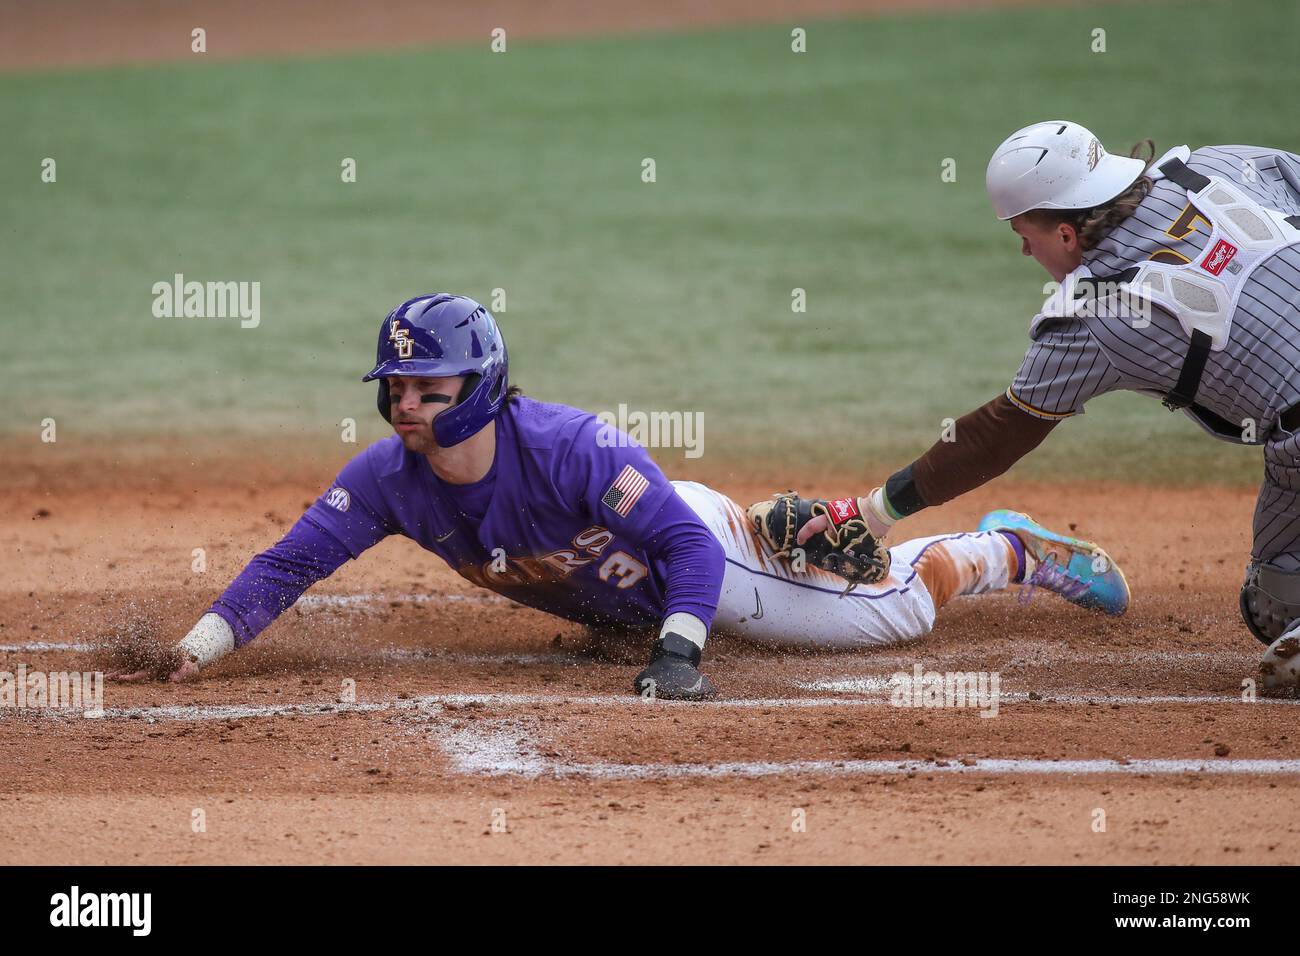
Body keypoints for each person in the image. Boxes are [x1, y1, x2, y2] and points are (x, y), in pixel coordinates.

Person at [110, 293, 1130, 699]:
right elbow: (290, 564)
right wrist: (197, 647)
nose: (408, 402)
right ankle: (805, 538)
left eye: (432, 386)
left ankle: (1008, 549)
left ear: (482, 386)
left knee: (898, 615)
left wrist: (678, 654)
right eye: (397, 386)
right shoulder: (384, 478)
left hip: (695, 552)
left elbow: (683, 551)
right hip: (647, 565)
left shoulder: (569, 445)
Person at [762, 121, 1300, 690]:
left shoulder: (1099, 314)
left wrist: (873, 513)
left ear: (1067, 235)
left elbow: (998, 434)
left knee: (1271, 608)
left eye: (1025, 233)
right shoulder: (1220, 168)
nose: (1023, 248)